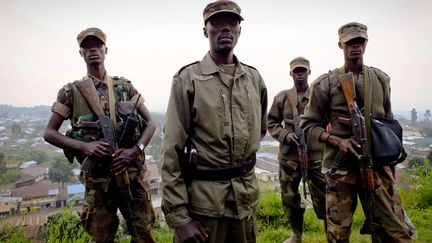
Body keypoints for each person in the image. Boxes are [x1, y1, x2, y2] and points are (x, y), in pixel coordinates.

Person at [160, 1, 267, 242]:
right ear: (205, 31)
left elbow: (258, 132)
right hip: (204, 206)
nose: (225, 28)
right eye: (216, 23)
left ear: (240, 30)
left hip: (245, 200)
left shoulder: (253, 79)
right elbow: (171, 150)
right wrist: (180, 218)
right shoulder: (188, 79)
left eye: (232, 22)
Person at [301, 22, 413, 242]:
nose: (355, 47)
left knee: (392, 230)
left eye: (360, 41)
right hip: (341, 171)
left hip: (377, 168)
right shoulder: (325, 84)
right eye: (350, 42)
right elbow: (308, 125)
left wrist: (390, 160)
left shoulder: (380, 80)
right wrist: (336, 141)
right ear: (340, 45)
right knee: (338, 234)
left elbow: (388, 122)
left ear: (366, 43)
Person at [44, 27, 156, 242]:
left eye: (97, 45)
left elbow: (151, 123)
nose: (92, 49)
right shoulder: (71, 91)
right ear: (81, 53)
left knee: (143, 233)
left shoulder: (125, 87)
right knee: (101, 236)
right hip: (98, 180)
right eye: (86, 46)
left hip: (132, 175)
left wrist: (135, 150)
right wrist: (84, 147)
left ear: (106, 50)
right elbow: (49, 133)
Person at [268, 57, 326, 243]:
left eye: (303, 71)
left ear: (309, 72)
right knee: (289, 198)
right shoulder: (282, 97)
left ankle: (332, 234)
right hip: (289, 158)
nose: (299, 74)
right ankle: (296, 234)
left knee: (325, 197)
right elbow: (272, 123)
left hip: (317, 156)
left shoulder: (319, 96)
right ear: (291, 73)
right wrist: (286, 135)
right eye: (296, 71)